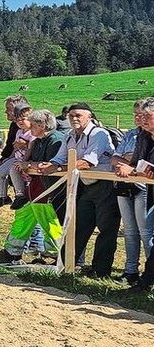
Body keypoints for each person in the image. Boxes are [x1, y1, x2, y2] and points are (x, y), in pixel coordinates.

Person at [28, 102, 119, 278]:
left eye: (78, 115)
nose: (74, 118)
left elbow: (87, 162)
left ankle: (101, 271)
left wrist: (57, 167)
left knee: (106, 229)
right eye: (71, 115)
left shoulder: (99, 134)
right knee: (78, 226)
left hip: (105, 185)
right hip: (85, 184)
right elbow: (60, 157)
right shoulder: (70, 135)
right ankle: (65, 265)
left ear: (89, 117)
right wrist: (52, 164)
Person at [111, 98, 154, 285]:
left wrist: (133, 169)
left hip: (145, 188)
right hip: (141, 186)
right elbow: (137, 162)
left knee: (147, 232)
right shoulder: (143, 137)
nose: (142, 120)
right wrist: (132, 168)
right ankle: (138, 274)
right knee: (131, 230)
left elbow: (137, 166)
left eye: (147, 116)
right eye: (140, 115)